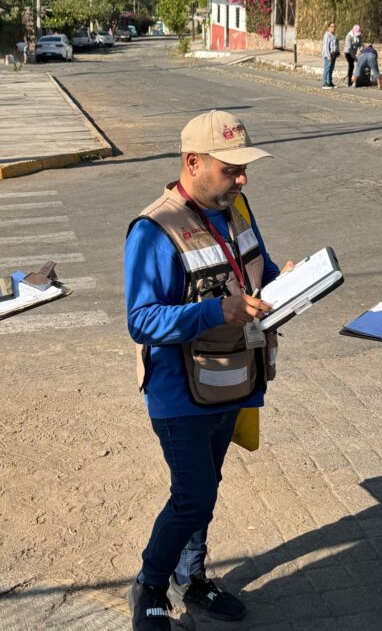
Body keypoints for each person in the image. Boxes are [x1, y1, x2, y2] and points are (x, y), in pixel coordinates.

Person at [124, 110, 293, 630]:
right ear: (193, 162)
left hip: (234, 377)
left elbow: (254, 262)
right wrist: (216, 311)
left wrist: (285, 281)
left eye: (245, 168)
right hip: (179, 394)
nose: (242, 179)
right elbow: (141, 319)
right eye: (230, 169)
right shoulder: (155, 229)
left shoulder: (236, 207)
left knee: (207, 487)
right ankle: (150, 586)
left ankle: (191, 578)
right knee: (193, 494)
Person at [321, 22, 339, 89]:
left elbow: (335, 45)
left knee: (331, 69)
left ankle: (329, 82)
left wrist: (336, 52)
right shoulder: (327, 35)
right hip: (328, 54)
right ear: (328, 28)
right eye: (331, 26)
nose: (333, 28)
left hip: (333, 54)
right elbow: (326, 46)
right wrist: (328, 56)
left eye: (334, 26)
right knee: (327, 68)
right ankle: (324, 83)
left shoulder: (334, 35)